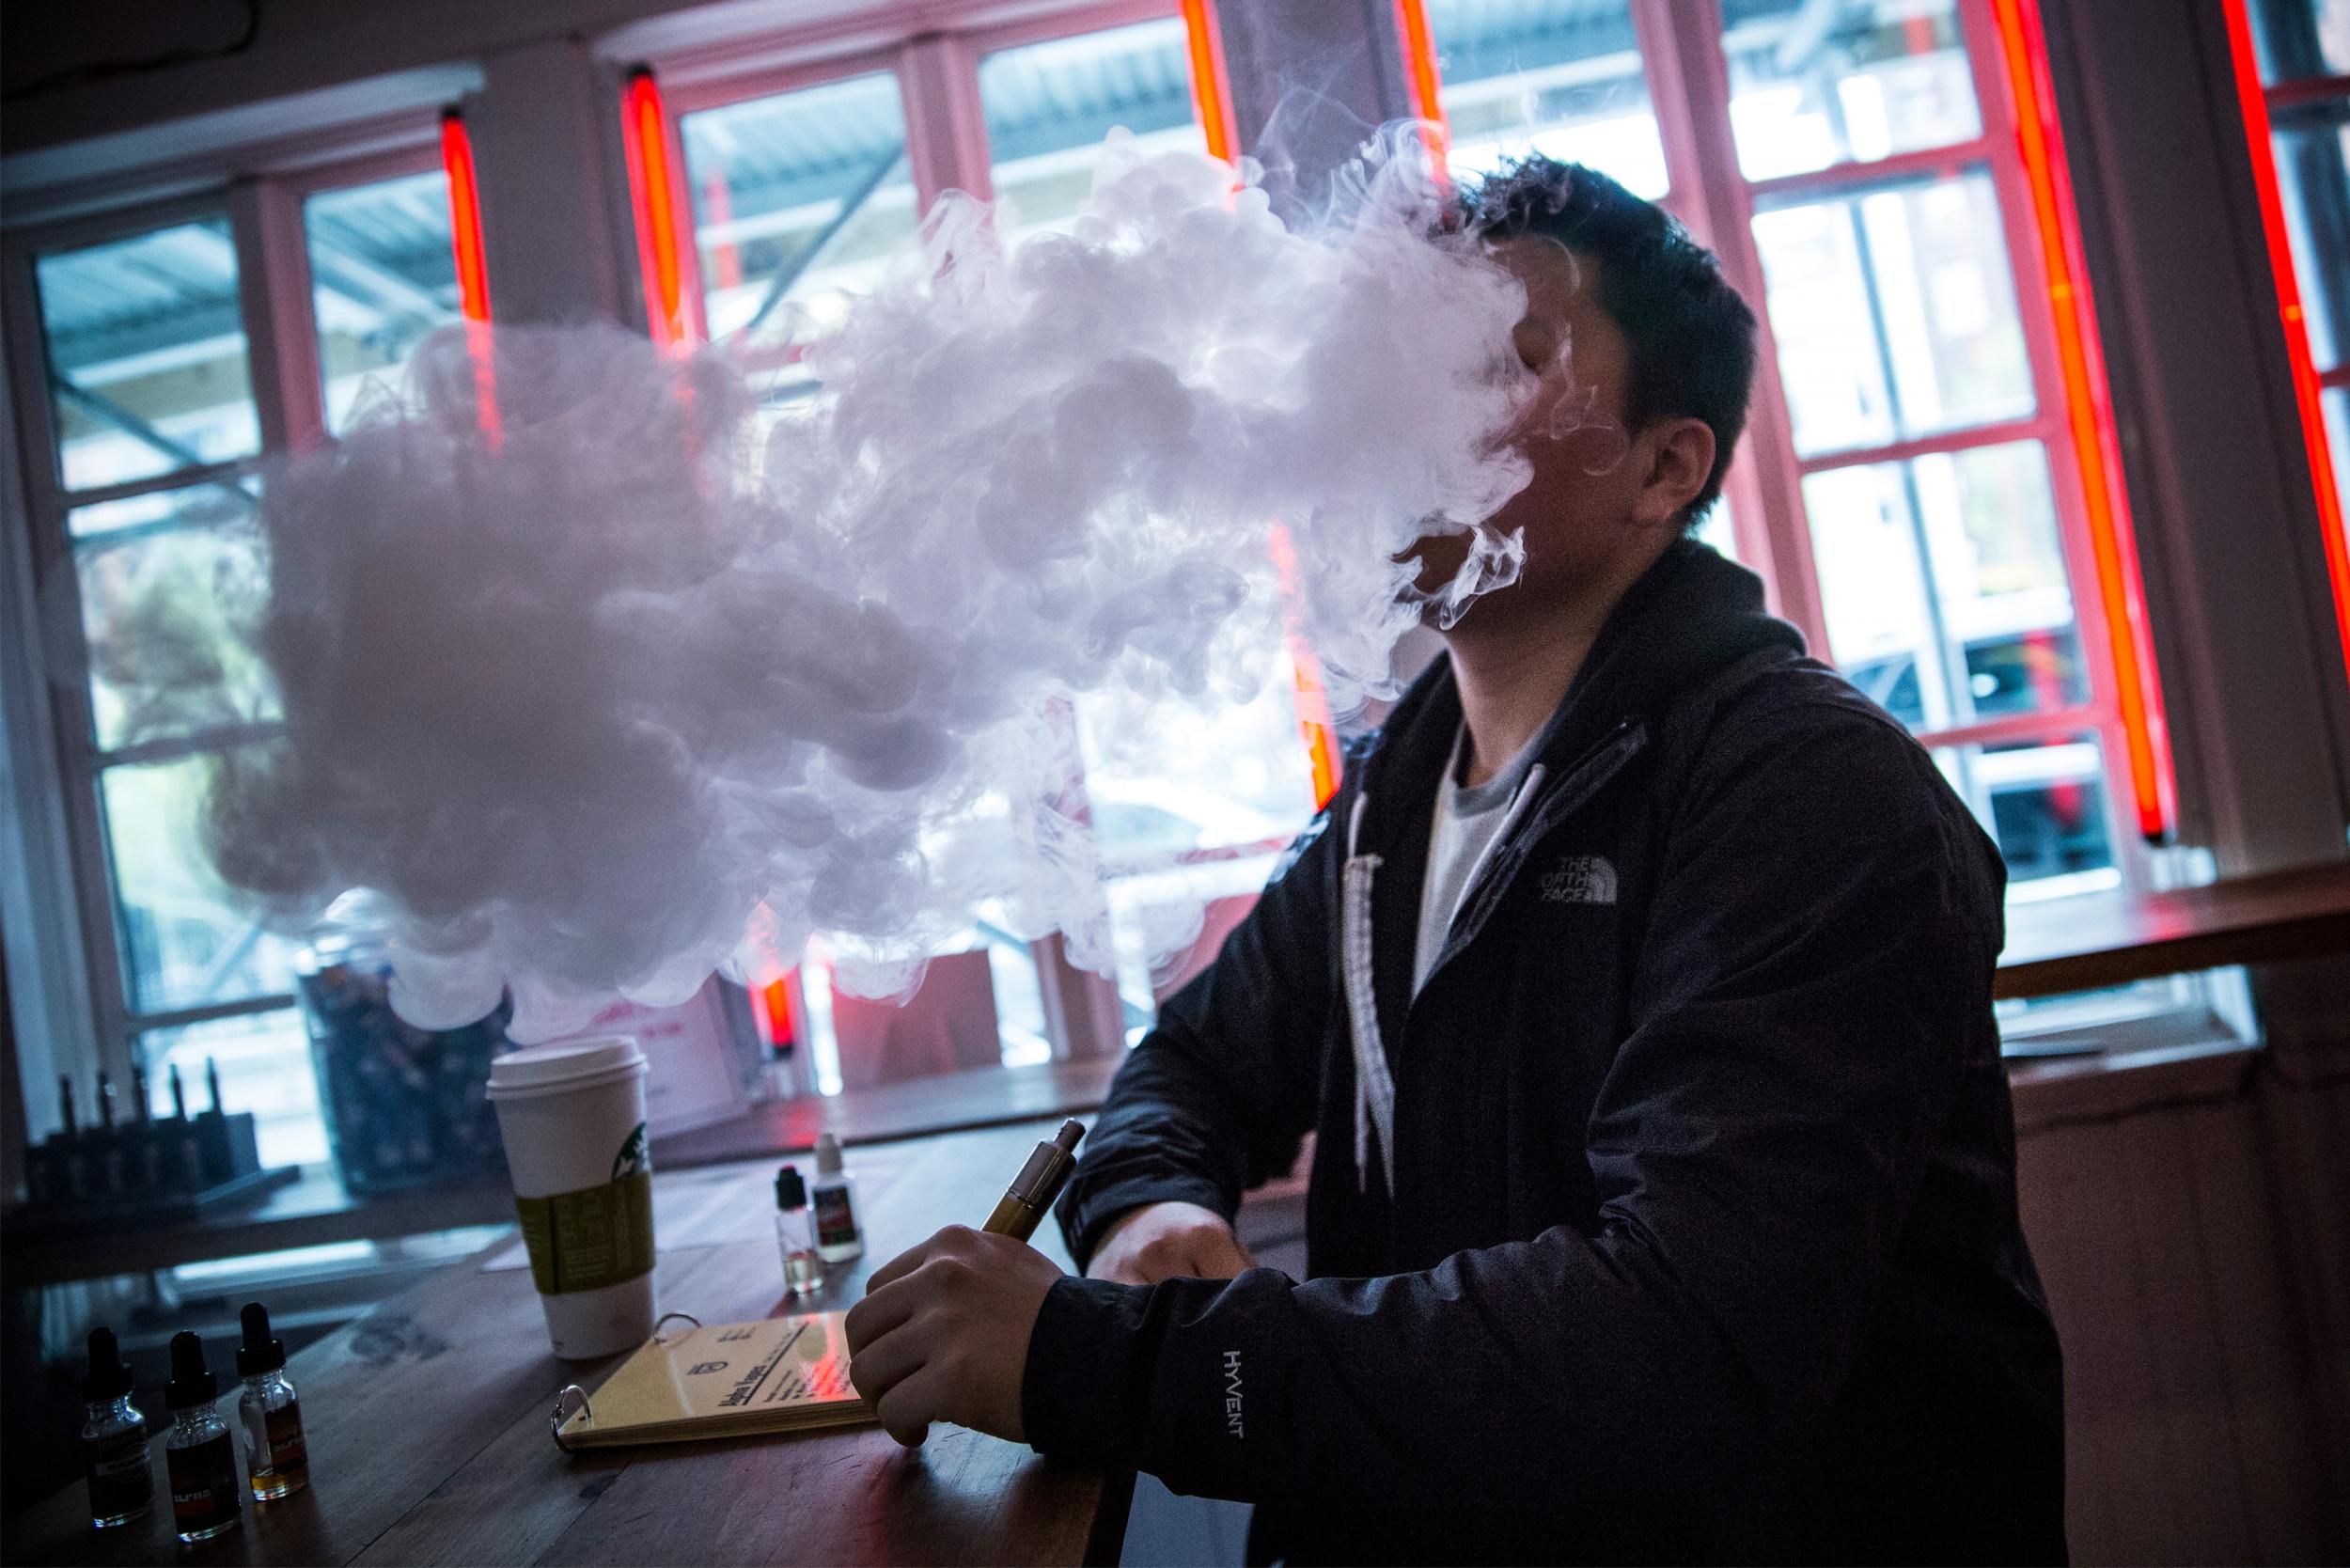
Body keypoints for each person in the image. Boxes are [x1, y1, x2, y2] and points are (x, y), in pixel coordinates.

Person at [842, 157, 2067, 1565]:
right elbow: (1189, 1066)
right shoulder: (1403, 786)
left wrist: (1106, 1363)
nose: (1412, 405)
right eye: (1411, 355)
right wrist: (1148, 1208)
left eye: (1501, 359)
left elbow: (1681, 1346)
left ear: (1668, 467)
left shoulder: (1811, 797)